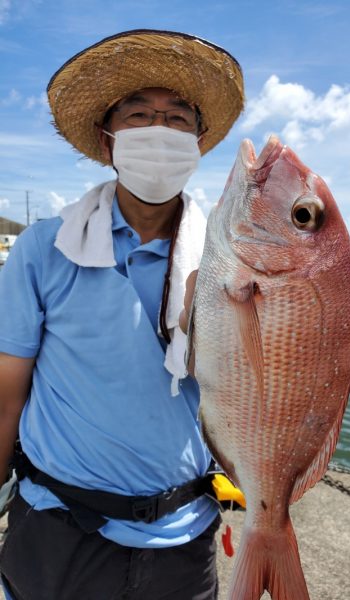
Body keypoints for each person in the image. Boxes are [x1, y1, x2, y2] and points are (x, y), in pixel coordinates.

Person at [0, 29, 244, 600]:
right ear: (108, 142)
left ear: (200, 143)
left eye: (178, 119)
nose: (159, 130)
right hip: (55, 525)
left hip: (184, 536)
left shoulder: (231, 265)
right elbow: (7, 392)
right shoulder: (44, 248)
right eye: (138, 114)